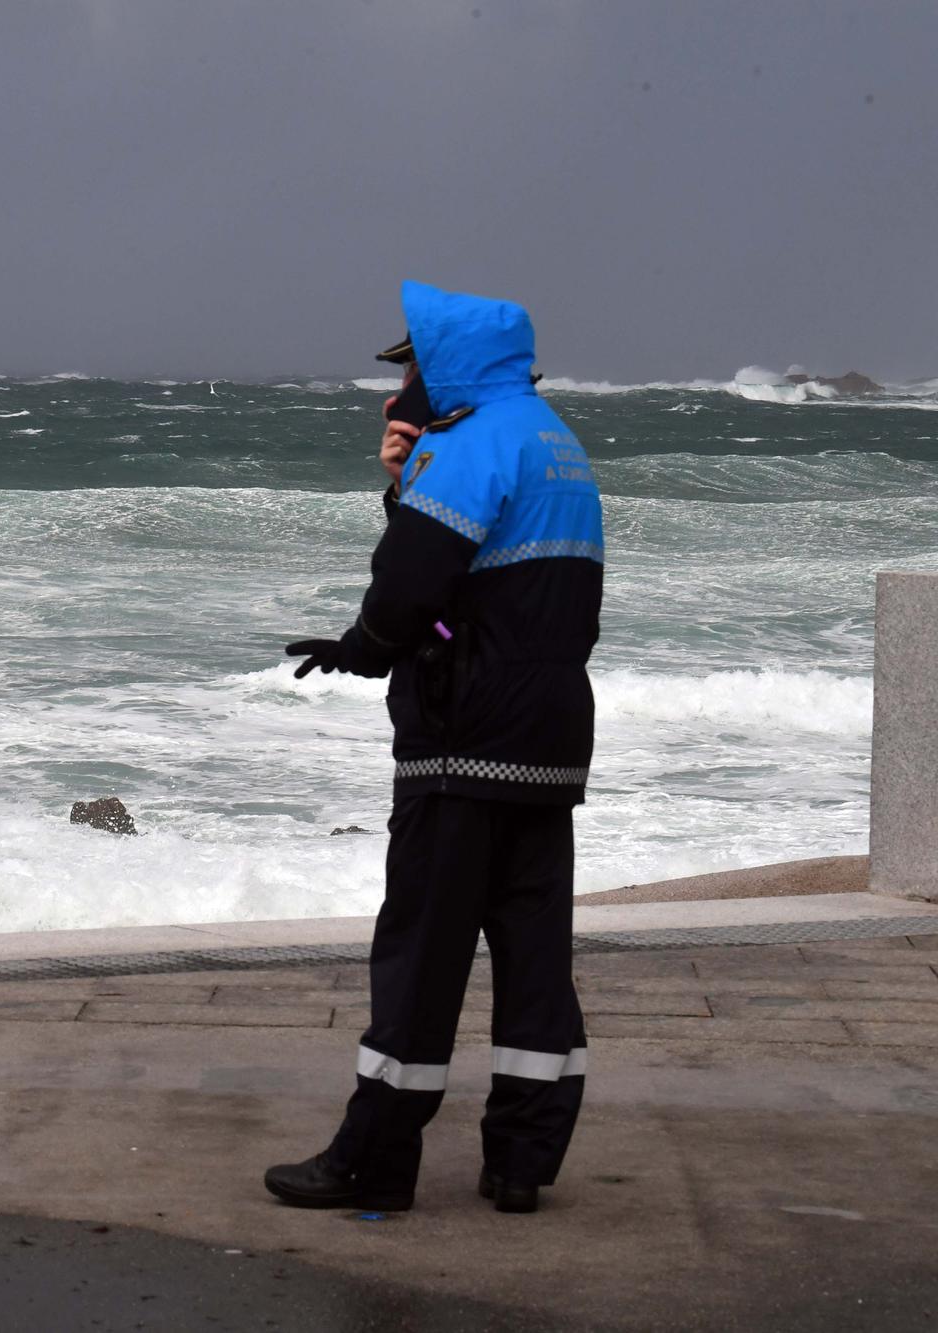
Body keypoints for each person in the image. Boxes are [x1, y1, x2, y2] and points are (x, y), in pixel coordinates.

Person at [263, 280, 605, 1215]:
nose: (404, 382)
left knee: (421, 954)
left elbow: (412, 584)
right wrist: (403, 481)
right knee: (535, 959)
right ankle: (521, 1163)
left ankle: (373, 1160)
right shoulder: (555, 443)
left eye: (412, 364)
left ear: (448, 364)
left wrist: (362, 651)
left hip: (462, 746)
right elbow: (497, 582)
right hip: (547, 742)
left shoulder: (466, 448)